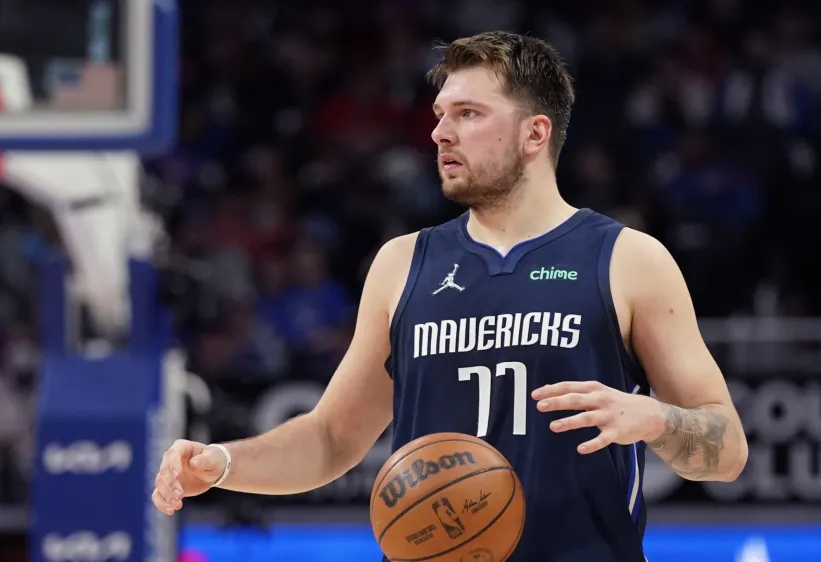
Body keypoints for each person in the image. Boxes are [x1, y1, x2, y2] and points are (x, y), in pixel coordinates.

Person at [152, 31, 749, 561]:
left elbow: (726, 452)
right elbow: (331, 438)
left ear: (534, 133)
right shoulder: (401, 263)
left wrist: (655, 419)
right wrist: (224, 465)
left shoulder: (628, 260)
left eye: (467, 113)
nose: (439, 132)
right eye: (440, 114)